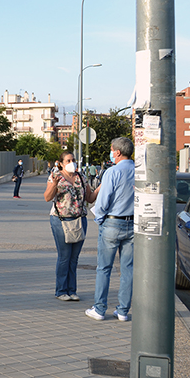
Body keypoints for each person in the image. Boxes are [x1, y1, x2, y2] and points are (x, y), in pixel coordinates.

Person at [85, 137, 134, 321]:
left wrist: (100, 218)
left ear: (118, 152)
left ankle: (99, 309)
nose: (111, 154)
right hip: (133, 223)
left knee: (104, 268)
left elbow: (103, 201)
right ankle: (122, 311)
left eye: (112, 151)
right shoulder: (140, 172)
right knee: (128, 268)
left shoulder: (112, 172)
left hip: (113, 222)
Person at [43, 151, 95, 301]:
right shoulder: (55, 176)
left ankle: (72, 290)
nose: (71, 162)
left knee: (74, 258)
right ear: (61, 163)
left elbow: (90, 198)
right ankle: (61, 290)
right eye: (68, 160)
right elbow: (47, 197)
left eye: (73, 160)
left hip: (79, 220)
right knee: (64, 256)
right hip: (61, 220)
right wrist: (54, 183)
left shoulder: (81, 177)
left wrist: (101, 188)